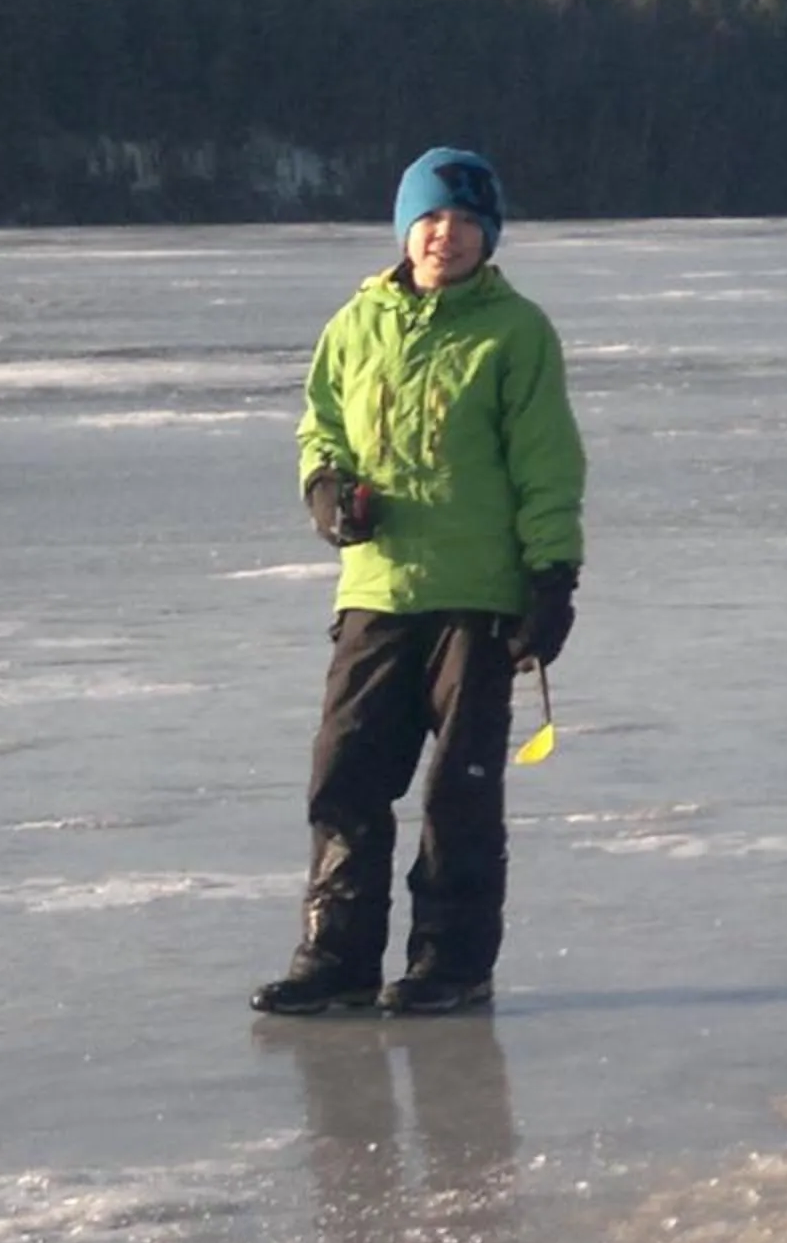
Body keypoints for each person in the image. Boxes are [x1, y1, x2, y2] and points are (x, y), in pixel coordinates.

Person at [251, 147, 587, 1018]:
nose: (449, 236)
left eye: (468, 222)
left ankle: (450, 963)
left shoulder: (516, 333)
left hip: (478, 598)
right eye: (433, 218)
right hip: (377, 594)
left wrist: (552, 576)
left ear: (489, 237)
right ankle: (337, 957)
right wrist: (327, 490)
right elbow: (319, 425)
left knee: (460, 790)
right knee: (346, 776)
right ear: (407, 228)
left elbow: (547, 464)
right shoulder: (355, 325)